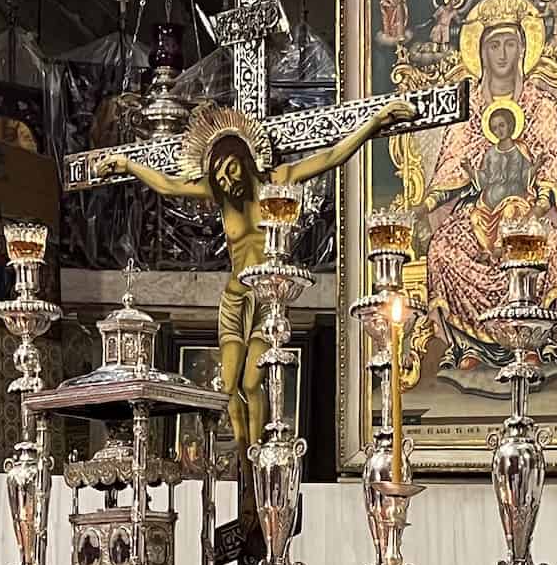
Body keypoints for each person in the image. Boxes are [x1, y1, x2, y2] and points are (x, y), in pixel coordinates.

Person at [96, 94, 416, 450]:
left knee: (252, 382)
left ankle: (264, 446)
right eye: (219, 177)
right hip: (234, 300)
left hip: (270, 298)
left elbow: (330, 157)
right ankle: (246, 461)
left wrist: (372, 125)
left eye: (231, 169)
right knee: (227, 386)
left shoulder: (278, 181)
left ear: (245, 159)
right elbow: (169, 185)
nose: (228, 181)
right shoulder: (221, 198)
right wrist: (127, 165)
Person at [423, 0, 557, 372]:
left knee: (549, 244)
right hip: (478, 211)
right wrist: (439, 193)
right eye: (494, 45)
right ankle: (469, 344)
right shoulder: (471, 104)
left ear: (523, 49)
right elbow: (453, 160)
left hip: (529, 212)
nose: (502, 54)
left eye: (509, 44)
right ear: (480, 52)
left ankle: (533, 344)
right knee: (444, 249)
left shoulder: (540, 103)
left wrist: (543, 196)